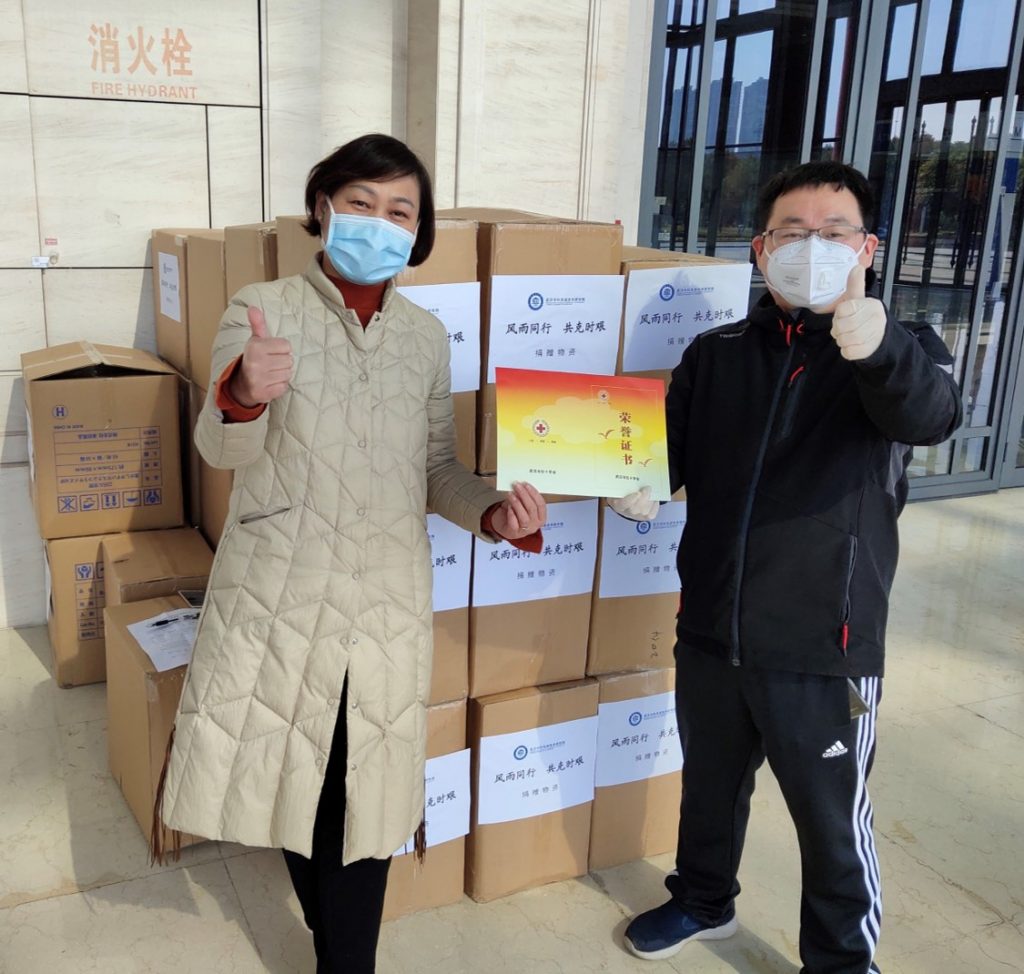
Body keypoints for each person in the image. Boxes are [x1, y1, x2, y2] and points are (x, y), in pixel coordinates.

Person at [152, 133, 547, 973]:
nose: (380, 221)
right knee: (298, 776)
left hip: (385, 598)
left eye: (400, 210)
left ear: (419, 230)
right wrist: (243, 391)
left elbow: (437, 470)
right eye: (361, 202)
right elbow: (220, 451)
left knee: (360, 791)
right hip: (281, 593)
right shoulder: (261, 309)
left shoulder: (425, 338)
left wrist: (495, 515)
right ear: (322, 207)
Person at [613, 161, 962, 974]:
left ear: (868, 248)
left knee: (830, 818)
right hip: (712, 622)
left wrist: (876, 349)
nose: (812, 246)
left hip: (823, 638)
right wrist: (634, 480)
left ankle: (841, 961)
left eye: (834, 231)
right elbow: (668, 450)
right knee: (709, 786)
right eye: (792, 232)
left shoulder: (905, 348)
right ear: (761, 249)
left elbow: (930, 417)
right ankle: (704, 900)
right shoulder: (718, 352)